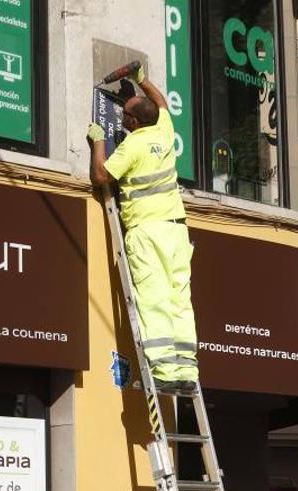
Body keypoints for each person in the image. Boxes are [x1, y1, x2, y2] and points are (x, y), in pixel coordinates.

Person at [87, 65, 198, 394]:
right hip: (176, 231)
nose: (122, 116)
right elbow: (160, 101)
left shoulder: (132, 145)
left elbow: (101, 178)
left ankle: (164, 371)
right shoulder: (164, 130)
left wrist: (98, 141)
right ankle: (187, 372)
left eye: (125, 114)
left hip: (147, 230)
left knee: (153, 298)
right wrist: (140, 77)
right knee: (180, 299)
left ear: (134, 123)